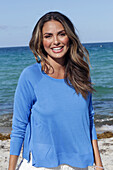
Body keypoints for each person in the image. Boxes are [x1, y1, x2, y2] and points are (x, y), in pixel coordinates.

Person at [8, 11, 104, 170]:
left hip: (79, 164)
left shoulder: (81, 74)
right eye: (48, 36)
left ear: (70, 37)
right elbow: (19, 127)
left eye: (61, 34)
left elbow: (89, 120)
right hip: (41, 164)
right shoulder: (30, 76)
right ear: (40, 41)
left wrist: (99, 164)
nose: (56, 41)